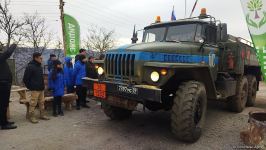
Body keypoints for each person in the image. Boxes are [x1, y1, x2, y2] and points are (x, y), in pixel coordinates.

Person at [23, 52, 50, 124]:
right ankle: (31, 117)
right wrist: (31, 87)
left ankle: (42, 115)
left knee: (42, 102)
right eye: (40, 58)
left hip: (41, 88)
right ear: (35, 58)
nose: (42, 59)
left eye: (42, 58)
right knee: (33, 103)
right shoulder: (30, 67)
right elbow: (25, 79)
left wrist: (43, 86)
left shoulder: (39, 66)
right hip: (34, 89)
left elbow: (40, 78)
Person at [0, 44, 17, 130]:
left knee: (4, 104)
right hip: (3, 84)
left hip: (4, 84)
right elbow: (8, 52)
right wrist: (13, 45)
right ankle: (4, 124)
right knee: (3, 105)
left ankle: (4, 121)